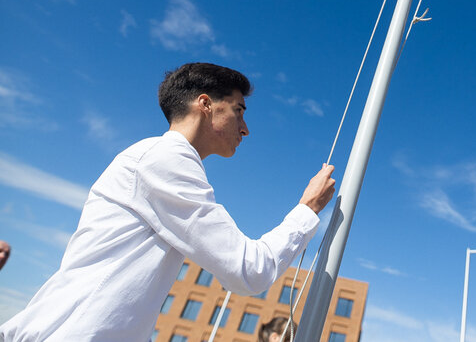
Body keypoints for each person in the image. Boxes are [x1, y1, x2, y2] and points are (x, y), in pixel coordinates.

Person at [0, 63, 336, 341]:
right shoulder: (165, 158)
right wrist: (307, 209)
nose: (245, 128)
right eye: (239, 111)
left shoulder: (163, 160)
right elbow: (248, 270)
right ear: (205, 104)